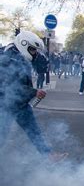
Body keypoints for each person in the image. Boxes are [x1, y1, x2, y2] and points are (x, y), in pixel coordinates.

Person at [0, 30, 66, 161]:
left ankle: (48, 155)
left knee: (34, 131)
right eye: (33, 50)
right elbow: (11, 87)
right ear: (24, 44)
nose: (35, 53)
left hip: (19, 104)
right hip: (5, 105)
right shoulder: (8, 60)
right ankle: (48, 155)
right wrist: (34, 92)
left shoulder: (17, 56)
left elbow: (41, 67)